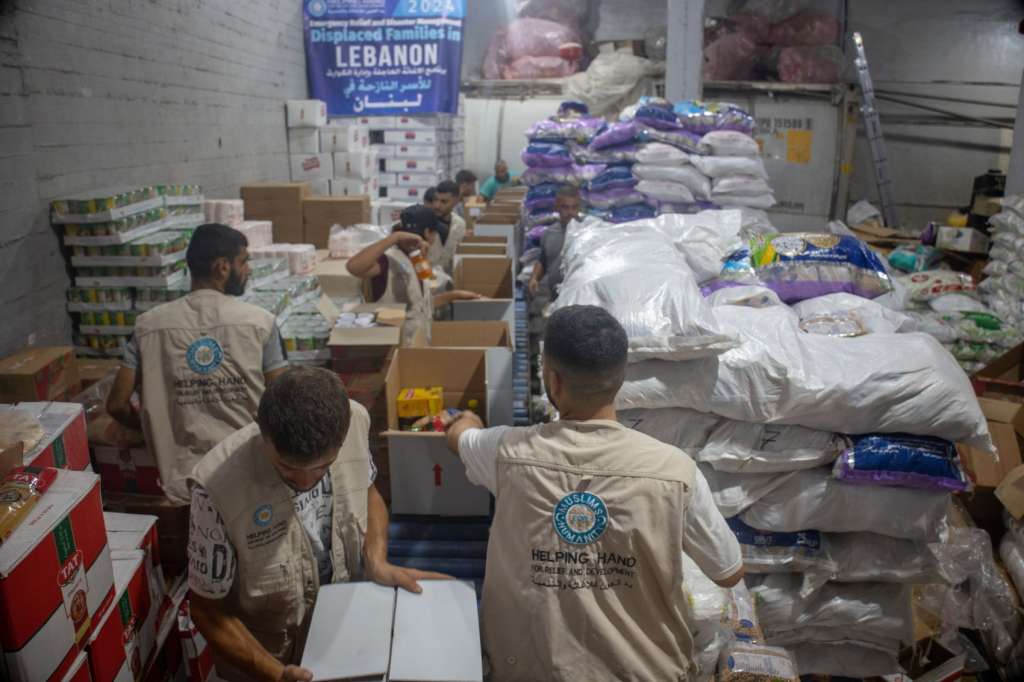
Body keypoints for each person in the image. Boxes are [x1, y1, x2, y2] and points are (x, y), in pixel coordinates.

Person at [443, 305, 744, 681]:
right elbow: (729, 572)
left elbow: (458, 439)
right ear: (621, 379)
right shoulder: (675, 472)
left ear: (553, 381)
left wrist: (466, 422)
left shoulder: (506, 453)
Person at [188, 367, 449, 682]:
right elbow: (206, 610)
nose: (305, 481)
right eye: (286, 468)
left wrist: (376, 559)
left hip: (345, 640)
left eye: (324, 467)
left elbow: (368, 492)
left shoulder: (355, 421)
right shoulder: (216, 488)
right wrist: (273, 672)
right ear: (260, 429)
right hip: (267, 659)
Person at [107, 223, 288, 506]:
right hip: (249, 473)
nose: (248, 270)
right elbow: (283, 402)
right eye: (243, 262)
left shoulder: (148, 326)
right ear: (222, 267)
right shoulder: (260, 322)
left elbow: (117, 404)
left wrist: (151, 428)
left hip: (183, 486)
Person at [346, 204, 479, 344]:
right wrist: (394, 238)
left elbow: (421, 307)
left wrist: (453, 296)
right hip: (396, 348)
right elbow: (353, 267)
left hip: (417, 344)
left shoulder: (417, 258)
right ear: (428, 233)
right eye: (435, 234)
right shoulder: (388, 259)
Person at [527, 186, 581, 301]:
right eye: (565, 207)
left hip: (580, 299)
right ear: (557, 207)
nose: (570, 212)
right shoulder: (549, 234)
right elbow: (543, 261)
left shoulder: (588, 233)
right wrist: (534, 278)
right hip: (555, 298)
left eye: (574, 207)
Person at [431, 180, 467, 274]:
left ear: (456, 201)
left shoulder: (459, 224)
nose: (437, 206)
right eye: (436, 200)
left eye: (444, 202)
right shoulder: (424, 221)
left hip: (450, 277)